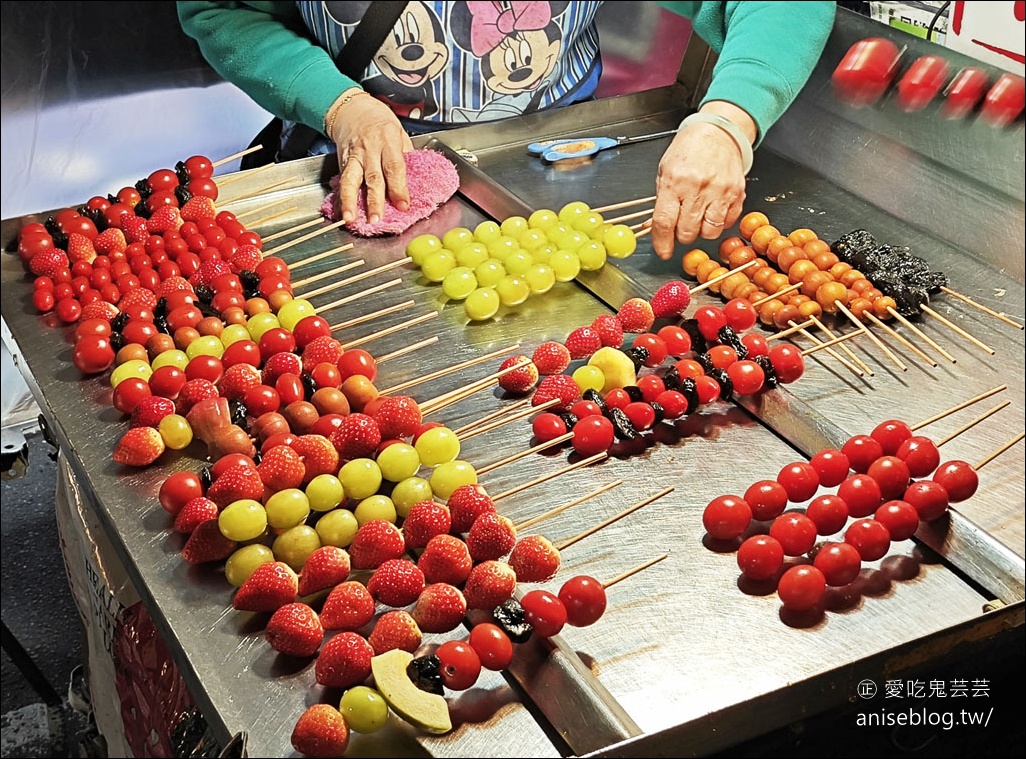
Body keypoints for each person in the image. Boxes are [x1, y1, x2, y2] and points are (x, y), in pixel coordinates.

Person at [177, 1, 834, 260]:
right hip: (355, 167)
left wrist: (729, 119)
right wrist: (339, 104)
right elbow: (222, 11)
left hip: (550, 163)